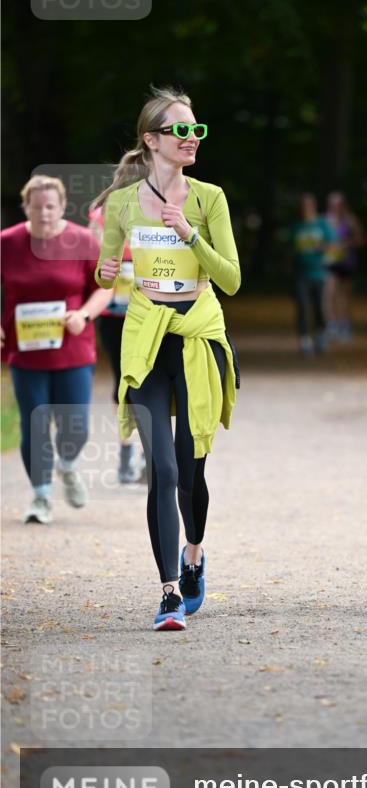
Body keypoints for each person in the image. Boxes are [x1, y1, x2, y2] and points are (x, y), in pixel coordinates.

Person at [93, 86, 240, 632]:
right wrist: (103, 275)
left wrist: (190, 236)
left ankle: (194, 554)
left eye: (196, 129)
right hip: (147, 335)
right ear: (152, 140)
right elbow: (106, 270)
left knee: (190, 470)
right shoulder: (122, 203)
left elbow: (231, 278)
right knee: (162, 467)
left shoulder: (209, 198)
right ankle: (168, 593)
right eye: (180, 130)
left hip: (198, 335)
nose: (191, 138)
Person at [0, 175, 113, 524]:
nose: (44, 214)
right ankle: (41, 497)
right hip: (26, 349)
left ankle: (67, 465)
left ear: (62, 207)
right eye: (37, 207)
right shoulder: (8, 242)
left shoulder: (81, 240)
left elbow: (104, 288)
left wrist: (83, 313)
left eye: (51, 207)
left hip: (73, 347)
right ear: (26, 208)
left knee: (75, 426)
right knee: (35, 423)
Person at [88, 206, 142, 483]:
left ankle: (149, 455)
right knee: (123, 383)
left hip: (147, 315)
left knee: (149, 381)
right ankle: (125, 453)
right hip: (113, 315)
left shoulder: (154, 209)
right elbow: (92, 255)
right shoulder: (99, 216)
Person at [290, 192, 333, 356]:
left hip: (319, 273)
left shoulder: (322, 224)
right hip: (301, 273)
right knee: (302, 306)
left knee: (319, 307)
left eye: (308, 205)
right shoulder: (296, 226)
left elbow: (333, 245)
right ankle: (304, 339)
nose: (305, 209)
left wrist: (324, 248)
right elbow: (290, 249)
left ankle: (320, 335)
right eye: (303, 206)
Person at [323, 190, 365, 341]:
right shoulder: (325, 220)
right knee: (329, 292)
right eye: (332, 204)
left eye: (338, 204)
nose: (335, 207)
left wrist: (346, 244)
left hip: (346, 262)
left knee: (344, 295)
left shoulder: (350, 220)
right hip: (330, 262)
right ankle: (332, 324)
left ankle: (345, 324)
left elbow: (360, 239)